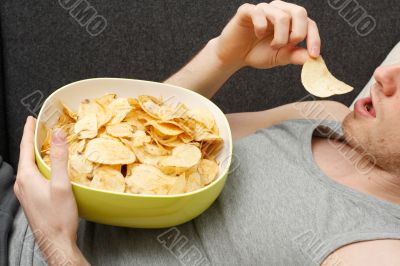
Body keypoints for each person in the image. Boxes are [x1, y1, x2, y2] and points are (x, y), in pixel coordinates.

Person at [10, 1, 400, 265]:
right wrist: (222, 58)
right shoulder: (322, 116)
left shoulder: (373, 252)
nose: (383, 74)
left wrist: (56, 243)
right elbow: (164, 135)